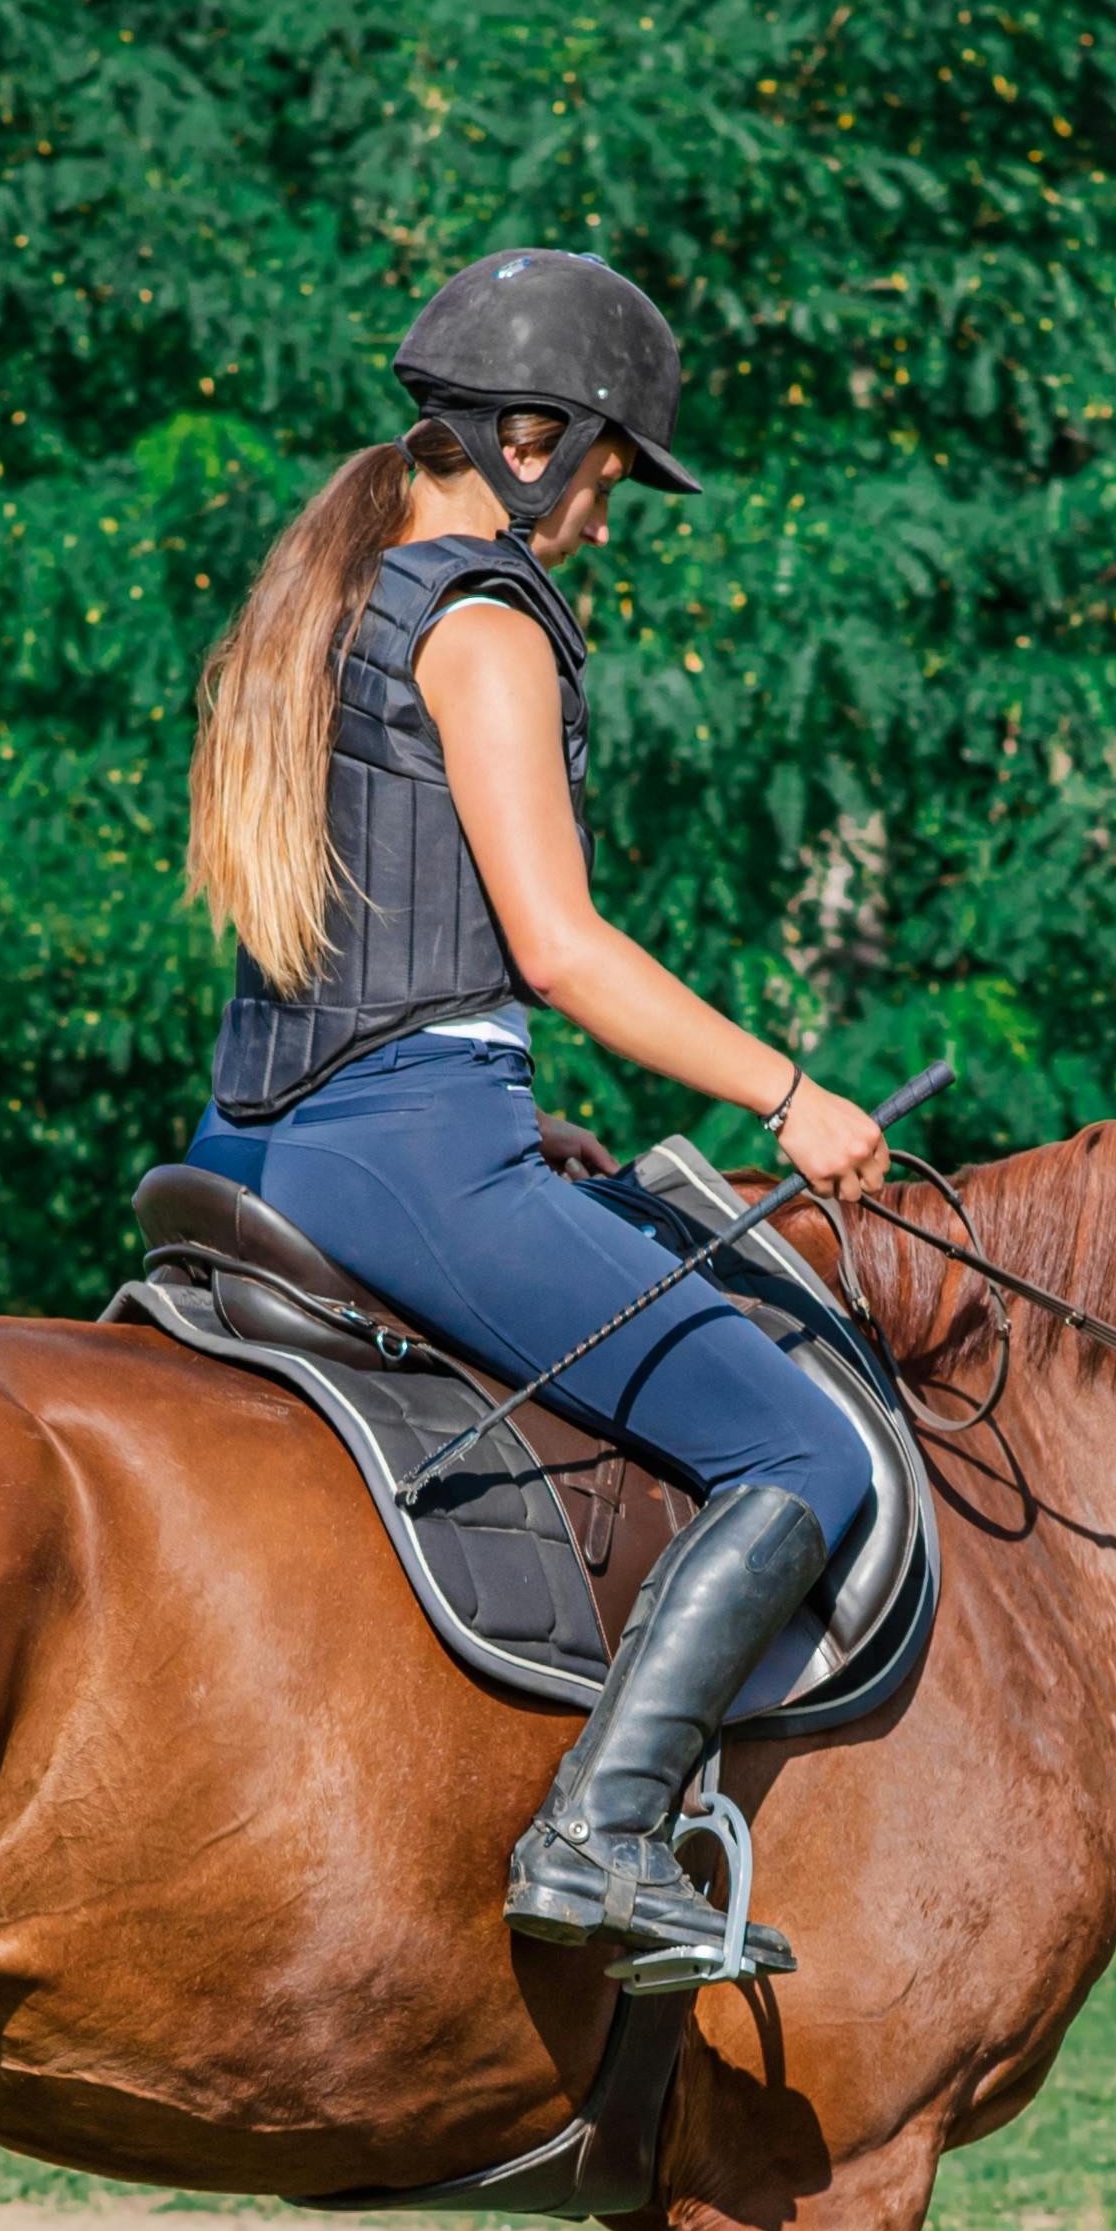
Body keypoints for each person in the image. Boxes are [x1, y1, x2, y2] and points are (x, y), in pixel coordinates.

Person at [176, 249, 888, 1990]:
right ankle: (603, 1833)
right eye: (605, 482)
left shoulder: (335, 605)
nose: (599, 523)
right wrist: (787, 1094)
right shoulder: (481, 620)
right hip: (409, 1151)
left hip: (252, 1145)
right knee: (806, 1453)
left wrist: (523, 1112)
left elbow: (408, 953)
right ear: (525, 439)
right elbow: (562, 948)